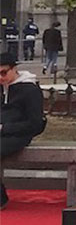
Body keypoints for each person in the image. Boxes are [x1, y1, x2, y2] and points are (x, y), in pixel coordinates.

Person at [1, 51, 48, 209]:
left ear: (15, 69)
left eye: (3, 72)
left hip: (19, 134)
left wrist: (4, 128)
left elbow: (34, 123)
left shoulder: (30, 90)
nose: (1, 77)